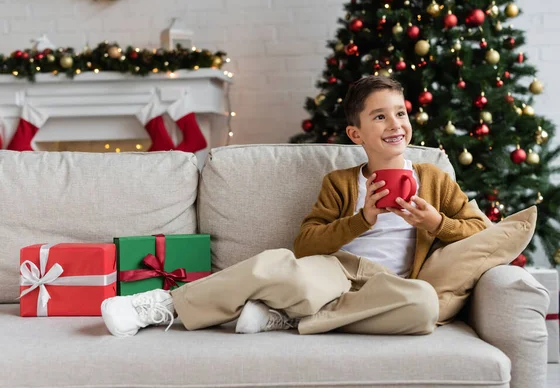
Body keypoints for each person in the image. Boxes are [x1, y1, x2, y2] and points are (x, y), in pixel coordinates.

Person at [101, 76, 487, 338]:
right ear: (356, 134)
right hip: (337, 271)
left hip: (390, 286)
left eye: (400, 113)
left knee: (424, 306)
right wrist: (362, 219)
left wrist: (436, 221)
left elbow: (481, 232)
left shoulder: (433, 178)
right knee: (274, 264)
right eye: (380, 116)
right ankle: (165, 302)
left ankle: (292, 317)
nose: (395, 123)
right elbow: (305, 245)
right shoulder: (340, 182)